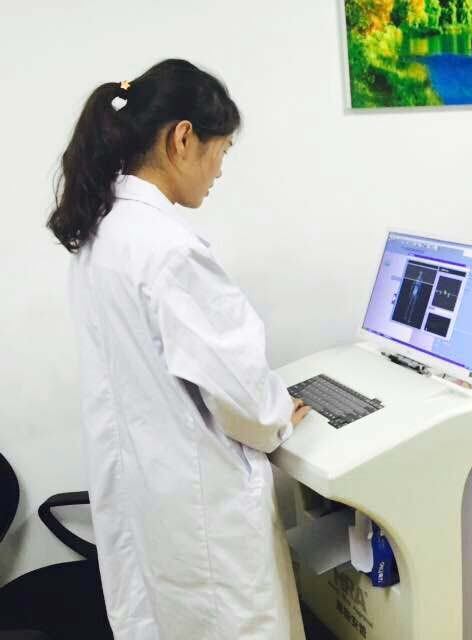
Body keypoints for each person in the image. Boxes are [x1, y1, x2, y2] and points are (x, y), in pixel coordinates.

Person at [46, 59, 311, 639]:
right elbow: (242, 396)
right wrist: (276, 414)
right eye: (222, 150)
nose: (220, 170)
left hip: (147, 497)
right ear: (183, 139)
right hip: (200, 513)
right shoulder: (168, 250)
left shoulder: (102, 232)